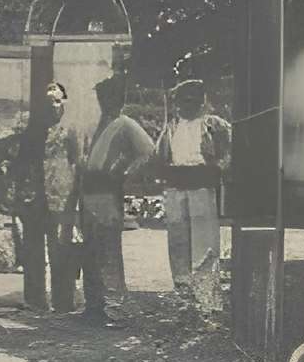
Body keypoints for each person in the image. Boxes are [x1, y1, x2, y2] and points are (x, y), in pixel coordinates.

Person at [79, 74, 156, 327]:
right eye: (101, 97)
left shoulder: (125, 124)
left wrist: (123, 172)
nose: (104, 101)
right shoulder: (100, 122)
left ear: (118, 98)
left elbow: (148, 151)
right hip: (88, 191)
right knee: (89, 251)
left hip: (107, 192)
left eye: (109, 96)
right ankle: (94, 306)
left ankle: (115, 310)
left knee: (108, 251)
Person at [156, 76, 231, 315]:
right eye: (181, 102)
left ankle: (207, 302)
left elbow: (230, 152)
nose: (185, 106)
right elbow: (159, 155)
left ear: (201, 102)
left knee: (204, 244)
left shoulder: (213, 125)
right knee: (178, 244)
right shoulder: (171, 127)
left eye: (191, 102)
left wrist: (218, 168)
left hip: (201, 187)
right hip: (176, 188)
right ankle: (184, 299)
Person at [8, 81, 80, 314]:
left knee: (61, 249)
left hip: (63, 196)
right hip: (34, 198)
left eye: (57, 101)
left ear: (65, 103)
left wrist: (76, 197)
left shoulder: (71, 130)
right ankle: (35, 299)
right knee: (33, 250)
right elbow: (21, 163)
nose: (53, 107)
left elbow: (78, 163)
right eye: (48, 103)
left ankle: (63, 301)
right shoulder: (32, 131)